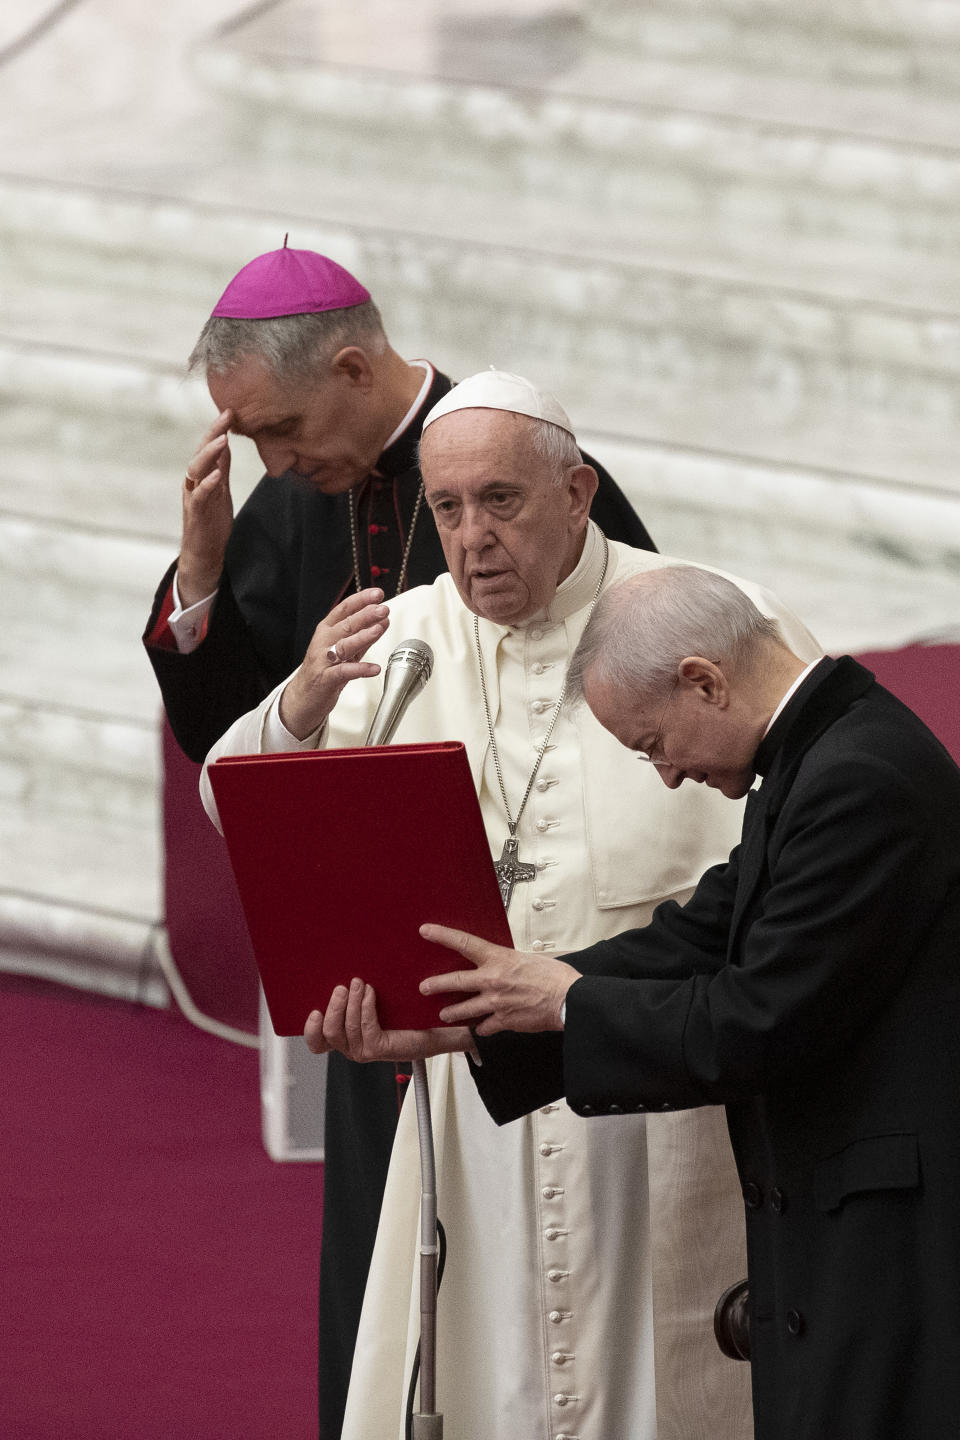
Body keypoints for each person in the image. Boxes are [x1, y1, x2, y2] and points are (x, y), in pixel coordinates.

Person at [202, 371, 820, 1440]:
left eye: (503, 501)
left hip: (657, 1112)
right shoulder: (390, 646)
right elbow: (240, 801)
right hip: (472, 1112)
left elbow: (819, 806)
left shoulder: (708, 614)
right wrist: (299, 702)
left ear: (578, 493)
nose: (472, 537)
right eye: (447, 509)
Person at [141, 245, 653, 1438]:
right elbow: (227, 744)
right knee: (386, 1292)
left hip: (528, 957)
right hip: (378, 973)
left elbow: (633, 694)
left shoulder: (517, 464)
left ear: (356, 366)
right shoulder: (297, 496)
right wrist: (205, 573)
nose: (273, 462)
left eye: (279, 428)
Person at [379, 564, 960, 1440]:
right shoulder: (819, 751)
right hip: (849, 1228)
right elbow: (695, 938)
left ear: (703, 681)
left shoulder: (857, 775)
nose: (665, 775)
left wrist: (568, 1003)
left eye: (652, 742)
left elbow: (757, 1023)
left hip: (890, 1251)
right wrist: (484, 1008)